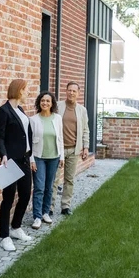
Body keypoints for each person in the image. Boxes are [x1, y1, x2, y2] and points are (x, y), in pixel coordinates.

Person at [0, 79, 35, 251]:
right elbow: (0, 137)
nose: (27, 93)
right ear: (19, 91)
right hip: (10, 161)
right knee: (8, 198)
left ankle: (16, 227)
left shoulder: (20, 110)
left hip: (25, 159)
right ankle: (4, 236)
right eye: (26, 90)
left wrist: (31, 156)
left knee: (26, 195)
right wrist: (3, 154)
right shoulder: (3, 111)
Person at [52, 81, 89, 216]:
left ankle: (65, 206)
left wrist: (85, 147)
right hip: (58, 149)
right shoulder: (58, 106)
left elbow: (85, 130)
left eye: (74, 91)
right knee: (54, 179)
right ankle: (50, 206)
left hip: (74, 149)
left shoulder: (82, 110)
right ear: (66, 91)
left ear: (78, 93)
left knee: (69, 179)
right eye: (69, 90)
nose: (71, 93)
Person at [29, 91, 65, 229]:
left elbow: (60, 138)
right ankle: (37, 216)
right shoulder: (33, 120)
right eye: (42, 100)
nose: (45, 103)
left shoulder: (57, 118)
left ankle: (45, 213)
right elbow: (29, 142)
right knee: (39, 187)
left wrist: (61, 156)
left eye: (48, 101)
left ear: (52, 104)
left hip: (54, 157)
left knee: (49, 187)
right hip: (38, 157)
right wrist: (31, 159)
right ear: (39, 102)